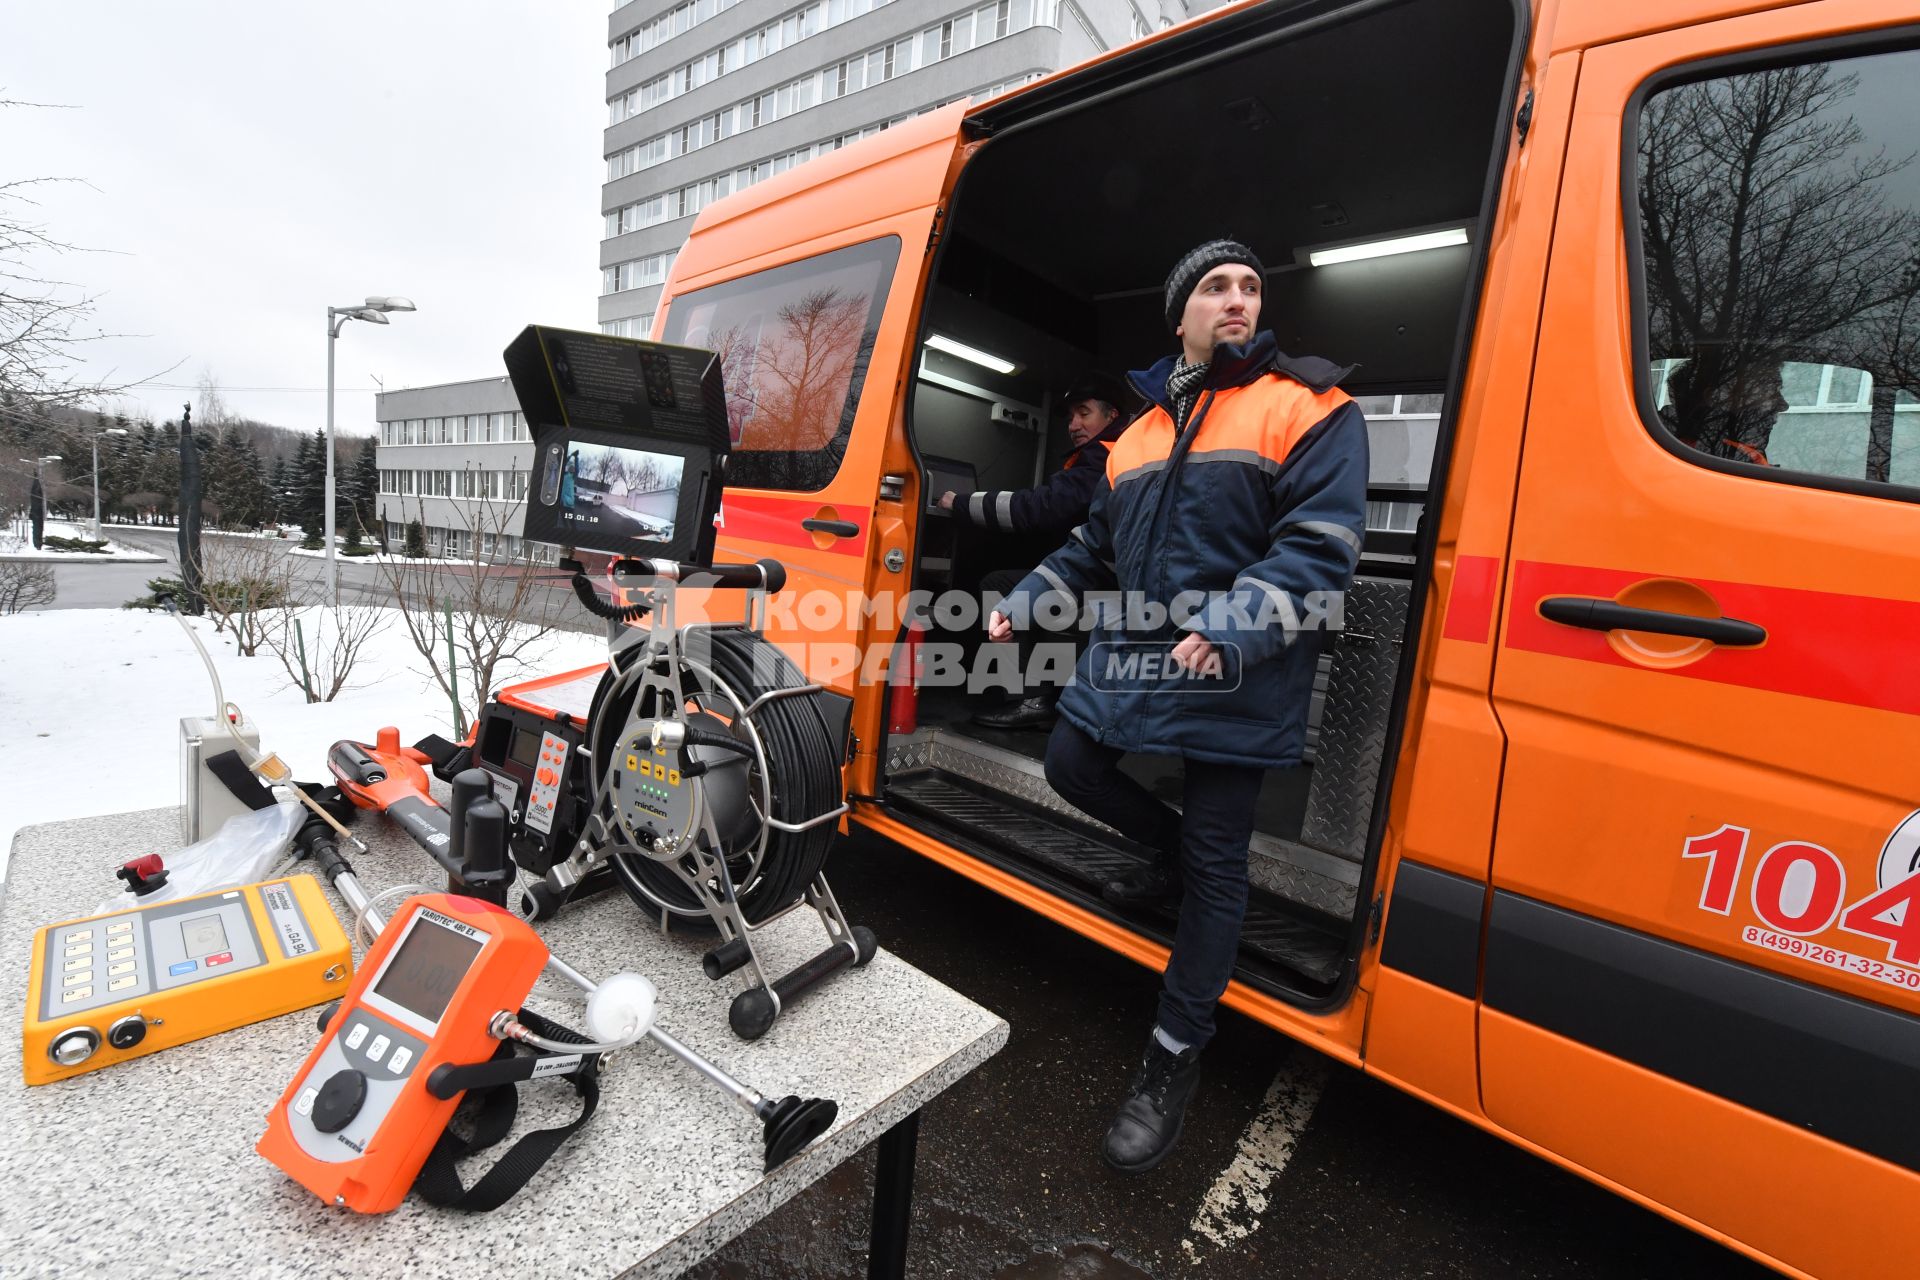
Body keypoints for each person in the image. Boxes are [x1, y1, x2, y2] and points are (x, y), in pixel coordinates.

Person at [989, 239, 1368, 1171]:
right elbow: (1088, 546)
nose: (1237, 299)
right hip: (1139, 650)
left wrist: (1237, 625)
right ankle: (1164, 858)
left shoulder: (1310, 405)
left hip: (1240, 666)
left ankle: (1171, 1058)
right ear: (1182, 315)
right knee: (1074, 764)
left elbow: (1319, 547)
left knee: (1216, 856)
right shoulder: (1140, 433)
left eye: (1249, 286)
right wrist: (1023, 599)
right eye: (1215, 287)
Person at [937, 372, 1131, 730]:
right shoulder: (1106, 456)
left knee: (999, 586)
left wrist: (961, 503)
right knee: (1006, 579)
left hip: (1104, 586)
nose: (1073, 425)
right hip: (1108, 583)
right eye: (1071, 417)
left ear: (1111, 417)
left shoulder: (1104, 458)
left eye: (1084, 413)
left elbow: (1040, 508)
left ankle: (1029, 700)